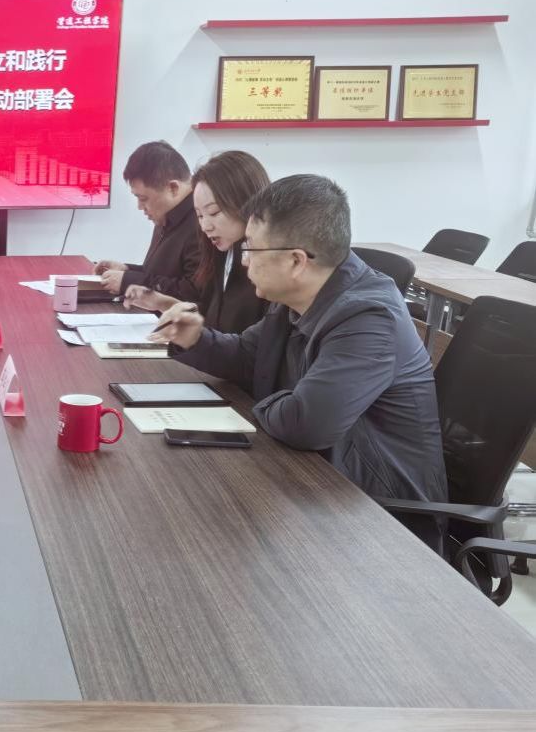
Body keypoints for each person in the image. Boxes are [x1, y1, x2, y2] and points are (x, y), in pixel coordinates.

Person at [148, 174, 447, 525]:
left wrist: (267, 401)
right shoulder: (298, 296)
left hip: (381, 516)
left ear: (296, 261)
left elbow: (306, 424)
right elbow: (248, 356)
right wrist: (196, 339)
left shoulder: (370, 319)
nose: (243, 261)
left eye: (251, 249)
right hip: (320, 483)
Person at [125, 150, 271, 334]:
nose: (205, 226)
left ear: (246, 202)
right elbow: (213, 321)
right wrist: (164, 303)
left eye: (214, 213)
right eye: (200, 215)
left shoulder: (267, 267)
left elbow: (246, 342)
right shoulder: (222, 252)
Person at [94, 140, 204, 300]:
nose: (140, 207)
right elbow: (160, 274)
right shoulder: (168, 214)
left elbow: (192, 292)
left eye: (143, 198)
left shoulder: (202, 223)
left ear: (173, 188)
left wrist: (129, 281)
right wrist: (127, 271)